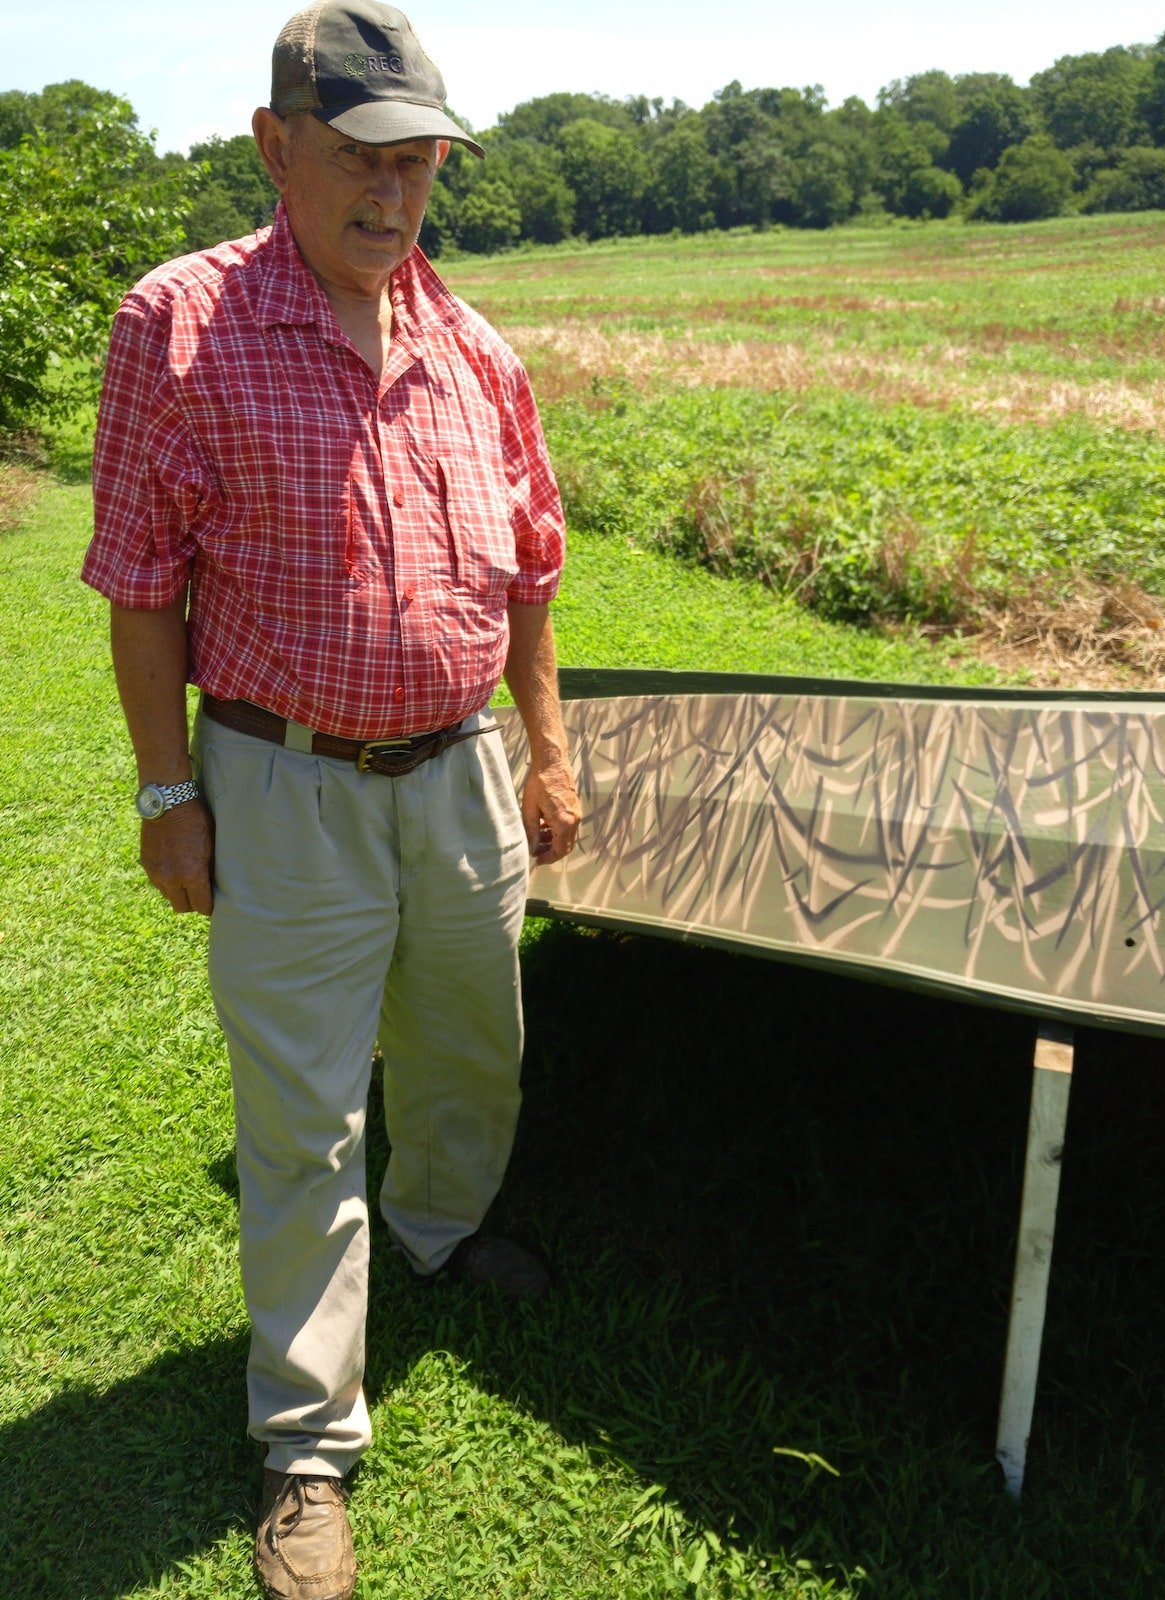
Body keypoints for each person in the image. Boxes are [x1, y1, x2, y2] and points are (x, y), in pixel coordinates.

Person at [82, 5, 581, 1596]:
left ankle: (437, 1229)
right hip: (281, 781)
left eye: (420, 154)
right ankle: (308, 1444)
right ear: (275, 145)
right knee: (302, 1116)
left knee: (468, 1042)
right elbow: (142, 588)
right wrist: (169, 789)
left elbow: (530, 574)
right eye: (363, 153)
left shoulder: (473, 344)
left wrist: (546, 742)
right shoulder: (177, 327)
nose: (397, 188)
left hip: (459, 778)